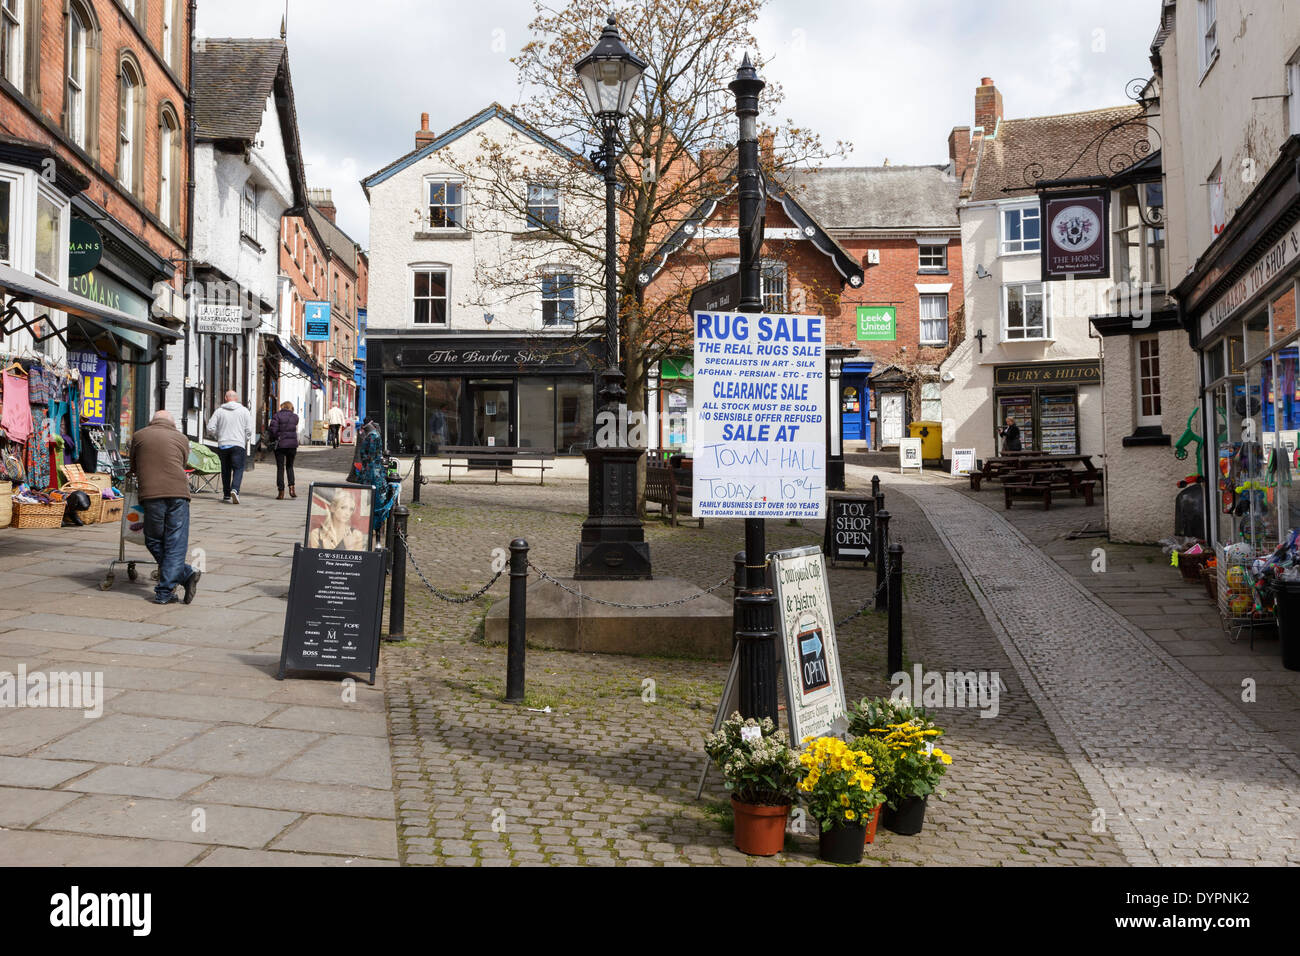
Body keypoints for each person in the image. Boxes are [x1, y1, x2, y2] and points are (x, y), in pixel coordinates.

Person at [128, 410, 200, 605]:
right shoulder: (182, 438)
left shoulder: (139, 435)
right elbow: (183, 463)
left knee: (153, 539)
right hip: (179, 494)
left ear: (152, 421)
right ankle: (184, 574)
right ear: (173, 424)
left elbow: (133, 466)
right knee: (175, 542)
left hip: (151, 495)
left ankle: (166, 590)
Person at [206, 391, 254, 504]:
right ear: (236, 398)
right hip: (238, 444)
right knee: (238, 468)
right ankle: (235, 490)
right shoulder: (244, 411)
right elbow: (249, 430)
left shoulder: (219, 411)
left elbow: (210, 428)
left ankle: (226, 494)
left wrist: (218, 435)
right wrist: (244, 439)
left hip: (223, 444)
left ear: (225, 398)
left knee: (225, 470)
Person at [358, 419, 395, 532]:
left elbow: (371, 455)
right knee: (370, 497)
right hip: (372, 470)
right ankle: (371, 523)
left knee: (373, 497)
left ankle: (374, 525)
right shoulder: (373, 434)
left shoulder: (372, 436)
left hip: (372, 472)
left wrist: (365, 463)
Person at [269, 400, 300, 500]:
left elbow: (273, 430)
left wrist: (278, 436)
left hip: (280, 445)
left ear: (282, 407)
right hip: (292, 445)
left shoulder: (277, 416)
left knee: (280, 468)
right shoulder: (295, 417)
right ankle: (292, 488)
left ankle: (281, 492)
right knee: (290, 466)